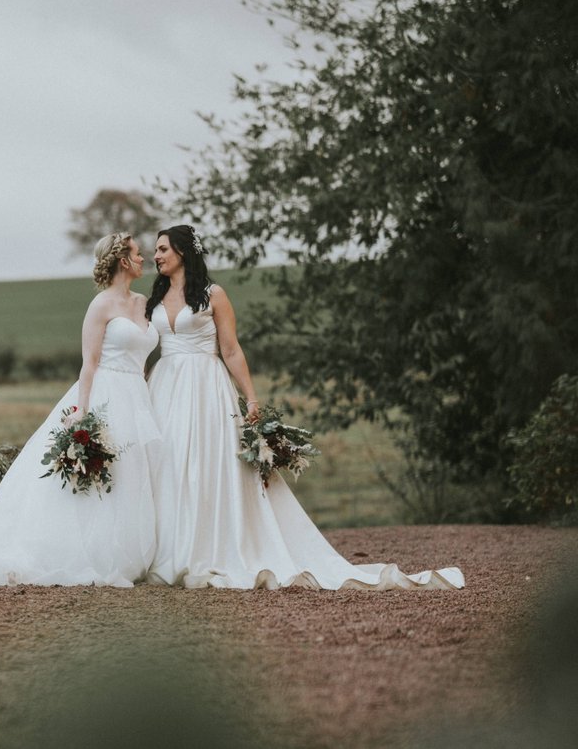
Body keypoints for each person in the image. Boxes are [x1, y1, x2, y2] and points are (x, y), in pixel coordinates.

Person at [145, 225, 464, 589]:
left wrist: (251, 397)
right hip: (165, 386)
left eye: (162, 249)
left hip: (206, 386)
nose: (156, 256)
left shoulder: (212, 295)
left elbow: (231, 350)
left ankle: (209, 546)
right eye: (155, 251)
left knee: (209, 463)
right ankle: (170, 548)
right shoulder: (153, 299)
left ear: (183, 252)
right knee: (168, 463)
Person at [0, 233, 160, 586]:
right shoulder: (101, 305)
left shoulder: (146, 303)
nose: (144, 258)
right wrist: (82, 411)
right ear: (122, 261)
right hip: (106, 392)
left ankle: (127, 550)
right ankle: (85, 552)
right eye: (138, 253)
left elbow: (143, 357)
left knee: (132, 473)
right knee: (101, 473)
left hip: (138, 395)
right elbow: (89, 363)